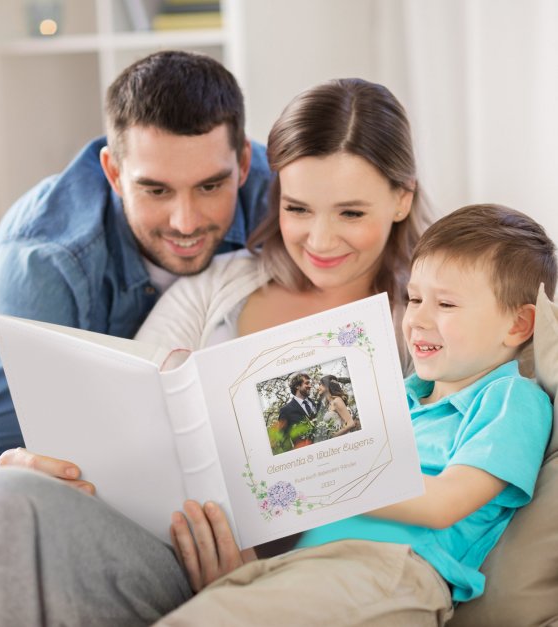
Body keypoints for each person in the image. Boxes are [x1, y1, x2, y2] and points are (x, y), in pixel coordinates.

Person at [0, 77, 431, 626]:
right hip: (145, 546)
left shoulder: (421, 324)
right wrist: (43, 465)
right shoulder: (223, 282)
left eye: (351, 214)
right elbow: (123, 401)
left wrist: (250, 579)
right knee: (1, 498)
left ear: (401, 197)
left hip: (285, 582)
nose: (320, 239)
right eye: (298, 209)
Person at [154, 203, 555, 626]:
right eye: (414, 298)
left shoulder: (512, 398)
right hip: (304, 566)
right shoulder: (394, 394)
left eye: (447, 305)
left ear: (517, 325)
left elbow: (444, 504)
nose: (417, 318)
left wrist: (322, 469)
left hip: (391, 570)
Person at [0, 50, 271, 497]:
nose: (185, 222)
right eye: (155, 190)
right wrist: (10, 483)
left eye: (210, 186)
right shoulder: (43, 263)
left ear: (243, 163)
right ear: (113, 172)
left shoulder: (287, 201)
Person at [277, 372, 316, 447]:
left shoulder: (316, 404)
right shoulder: (285, 410)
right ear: (297, 386)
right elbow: (282, 438)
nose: (310, 386)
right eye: (307, 383)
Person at [313, 374, 356, 441]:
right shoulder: (328, 405)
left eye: (320, 384)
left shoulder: (337, 401)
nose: (318, 388)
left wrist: (334, 436)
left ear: (327, 386)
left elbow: (351, 424)